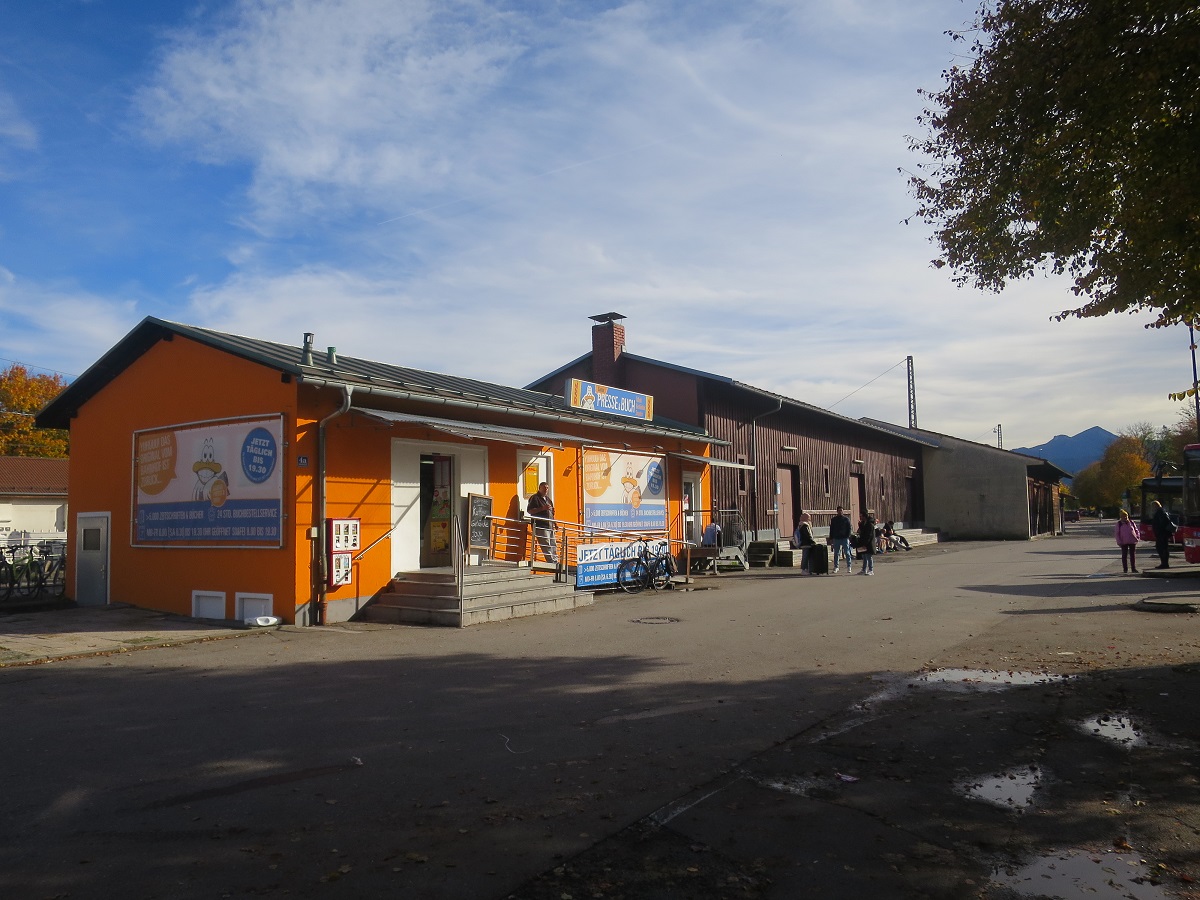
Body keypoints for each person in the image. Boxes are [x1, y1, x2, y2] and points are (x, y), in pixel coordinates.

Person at [526, 481, 558, 564]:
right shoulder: (535, 498)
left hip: (550, 525)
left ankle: (555, 560)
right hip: (540, 525)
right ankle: (551, 561)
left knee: (553, 544)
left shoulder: (548, 500)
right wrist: (542, 508)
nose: (546, 489)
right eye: (544, 488)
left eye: (547, 488)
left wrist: (555, 523)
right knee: (546, 544)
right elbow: (530, 510)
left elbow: (552, 513)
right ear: (539, 488)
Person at [1150, 500, 1176, 569]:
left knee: (1161, 548)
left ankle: (1164, 563)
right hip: (1162, 534)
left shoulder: (1160, 512)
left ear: (1156, 506)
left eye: (1152, 506)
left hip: (1162, 534)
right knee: (1162, 548)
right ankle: (1164, 563)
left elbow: (1162, 523)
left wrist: (1159, 531)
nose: (1152, 508)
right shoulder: (1161, 511)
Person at [1114, 509, 1141, 574]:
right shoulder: (1119, 524)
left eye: (1126, 516)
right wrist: (1119, 542)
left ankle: (1133, 568)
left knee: (1132, 555)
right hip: (1123, 542)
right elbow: (1117, 534)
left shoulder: (1131, 522)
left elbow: (1136, 530)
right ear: (1121, 517)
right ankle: (1125, 569)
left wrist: (1137, 537)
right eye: (1124, 516)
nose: (1125, 517)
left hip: (1132, 541)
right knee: (1124, 555)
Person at [829, 506, 853, 573]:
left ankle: (849, 566)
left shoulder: (846, 519)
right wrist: (831, 538)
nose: (840, 512)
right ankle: (836, 567)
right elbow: (831, 529)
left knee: (847, 552)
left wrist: (848, 536)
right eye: (839, 510)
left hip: (844, 538)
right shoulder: (834, 520)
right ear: (837, 511)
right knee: (836, 553)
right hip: (836, 538)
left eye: (841, 510)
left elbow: (849, 528)